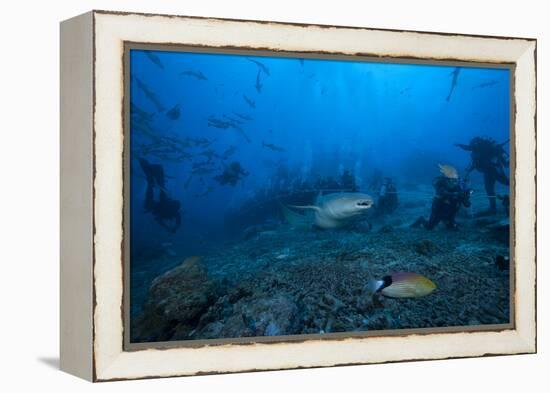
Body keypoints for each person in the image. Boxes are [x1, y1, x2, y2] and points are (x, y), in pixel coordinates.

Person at [455, 137, 509, 215]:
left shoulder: (482, 147)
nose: (472, 148)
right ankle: (493, 209)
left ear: (477, 143)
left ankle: (493, 209)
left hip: (494, 169)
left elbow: (469, 148)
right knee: (490, 189)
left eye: (473, 144)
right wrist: (468, 171)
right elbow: (475, 163)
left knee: (504, 183)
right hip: (488, 171)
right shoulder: (476, 152)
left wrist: (460, 145)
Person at [411, 165, 471, 230]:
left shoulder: (460, 184)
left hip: (451, 208)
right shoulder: (441, 181)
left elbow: (467, 204)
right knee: (430, 227)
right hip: (439, 206)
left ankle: (447, 221)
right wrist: (456, 194)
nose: (454, 180)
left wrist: (465, 196)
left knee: (451, 227)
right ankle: (421, 220)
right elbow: (442, 192)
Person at [140, 157, 181, 233]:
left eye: (174, 205)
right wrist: (170, 228)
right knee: (159, 189)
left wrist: (169, 228)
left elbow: (160, 220)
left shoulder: (173, 211)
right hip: (155, 205)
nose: (172, 204)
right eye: (173, 204)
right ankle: (154, 176)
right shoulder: (174, 211)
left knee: (154, 192)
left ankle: (152, 176)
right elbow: (177, 222)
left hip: (153, 206)